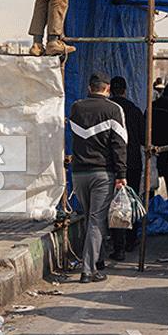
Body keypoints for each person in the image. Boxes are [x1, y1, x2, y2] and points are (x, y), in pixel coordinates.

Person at [69, 72, 127, 283]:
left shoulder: (76, 107)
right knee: (96, 220)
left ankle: (97, 260)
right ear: (108, 88)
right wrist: (122, 174)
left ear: (89, 87)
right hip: (102, 173)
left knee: (89, 218)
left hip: (79, 173)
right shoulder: (114, 110)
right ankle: (88, 270)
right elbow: (119, 144)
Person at [108, 76, 145, 260]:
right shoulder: (135, 110)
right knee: (131, 200)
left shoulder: (107, 109)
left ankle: (117, 243)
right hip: (132, 162)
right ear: (125, 89)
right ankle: (130, 239)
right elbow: (144, 137)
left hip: (112, 163)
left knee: (114, 204)